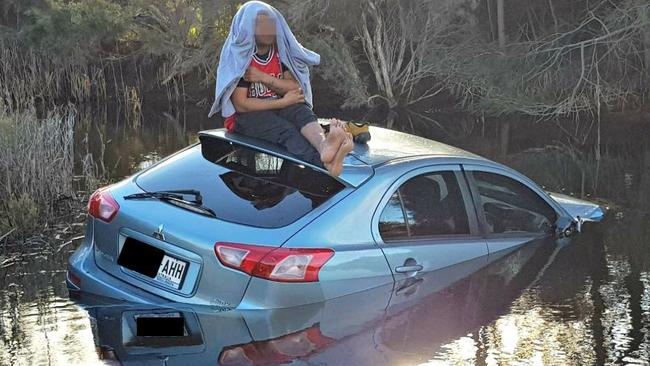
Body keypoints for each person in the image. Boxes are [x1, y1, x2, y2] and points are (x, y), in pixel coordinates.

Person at [209, 1, 353, 176]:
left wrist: (264, 78)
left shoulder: (279, 53)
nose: (268, 30)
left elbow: (294, 87)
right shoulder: (243, 58)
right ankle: (324, 166)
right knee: (286, 131)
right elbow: (241, 105)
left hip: (276, 106)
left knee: (301, 112)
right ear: (248, 28)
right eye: (261, 25)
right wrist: (282, 101)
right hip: (247, 119)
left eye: (270, 24)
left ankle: (324, 147)